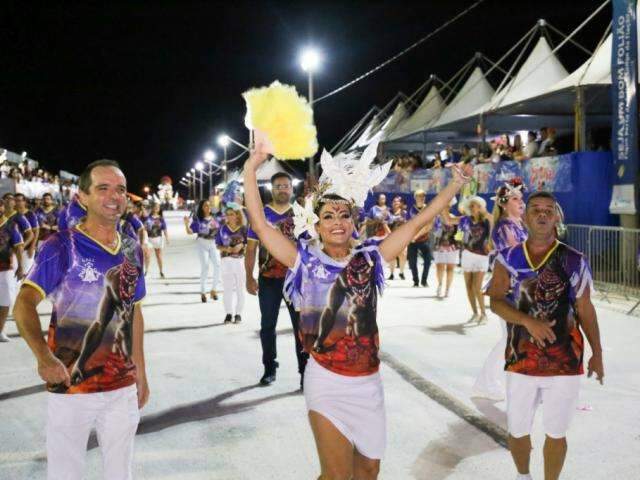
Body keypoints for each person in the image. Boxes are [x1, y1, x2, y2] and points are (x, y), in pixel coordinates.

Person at [245, 136, 471, 479]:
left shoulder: (371, 258)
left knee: (367, 471)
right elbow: (261, 226)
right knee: (336, 475)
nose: (337, 221)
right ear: (316, 224)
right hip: (326, 380)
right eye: (328, 215)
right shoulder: (302, 260)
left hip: (368, 383)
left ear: (353, 220)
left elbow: (415, 223)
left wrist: (456, 183)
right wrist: (250, 169)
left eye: (344, 215)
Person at [13, 159, 149, 480]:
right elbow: (24, 305)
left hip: (122, 384)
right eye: (103, 188)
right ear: (82, 197)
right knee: (65, 473)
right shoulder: (60, 246)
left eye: (120, 189)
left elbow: (136, 312)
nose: (114, 196)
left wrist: (141, 370)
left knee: (120, 472)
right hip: (71, 385)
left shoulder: (131, 249)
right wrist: (43, 357)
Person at [486, 191, 603, 480]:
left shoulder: (574, 260)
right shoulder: (508, 257)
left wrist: (597, 354)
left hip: (565, 360)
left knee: (556, 431)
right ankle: (523, 475)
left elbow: (585, 309)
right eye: (535, 209)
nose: (542, 214)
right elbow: (496, 301)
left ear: (556, 218)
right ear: (525, 217)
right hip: (521, 360)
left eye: (548, 210)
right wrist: (528, 321)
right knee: (518, 430)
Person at [245, 171, 308, 386]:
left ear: (292, 188)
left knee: (300, 326)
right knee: (268, 325)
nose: (283, 189)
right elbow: (251, 248)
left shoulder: (301, 213)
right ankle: (269, 368)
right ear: (272, 189)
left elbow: (312, 246)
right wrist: (249, 276)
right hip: (269, 278)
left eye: (286, 186)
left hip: (296, 279)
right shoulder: (261, 215)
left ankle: (305, 372)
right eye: (279, 186)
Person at [472, 179, 528, 401]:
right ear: (504, 203)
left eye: (521, 198)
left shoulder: (517, 224)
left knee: (513, 337)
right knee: (509, 338)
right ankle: (486, 384)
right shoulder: (506, 227)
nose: (521, 202)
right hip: (508, 289)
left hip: (520, 288)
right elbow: (516, 257)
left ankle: (495, 383)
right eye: (515, 199)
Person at [460, 196, 492, 323]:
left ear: (481, 207)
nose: (473, 208)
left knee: (476, 286)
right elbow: (450, 220)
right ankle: (475, 313)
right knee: (468, 286)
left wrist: (485, 211)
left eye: (476, 206)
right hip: (467, 254)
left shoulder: (486, 220)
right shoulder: (465, 220)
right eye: (471, 206)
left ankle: (484, 314)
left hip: (482, 256)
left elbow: (493, 218)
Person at [183, 199, 221, 302]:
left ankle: (214, 290)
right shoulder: (198, 220)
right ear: (202, 208)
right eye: (205, 206)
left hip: (213, 243)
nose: (208, 208)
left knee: (217, 265)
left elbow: (220, 232)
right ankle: (203, 292)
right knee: (205, 266)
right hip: (202, 243)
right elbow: (190, 232)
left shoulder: (215, 219)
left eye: (209, 205)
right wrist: (186, 224)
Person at [216, 205, 247, 323]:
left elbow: (249, 244)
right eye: (227, 214)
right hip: (226, 261)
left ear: (237, 215)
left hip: (239, 261)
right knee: (227, 289)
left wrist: (242, 245)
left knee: (240, 288)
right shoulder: (222, 228)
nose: (229, 216)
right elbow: (218, 245)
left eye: (232, 214)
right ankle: (228, 313)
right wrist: (226, 249)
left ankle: (238, 313)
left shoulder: (243, 229)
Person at [0, 201, 24, 342]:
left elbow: (19, 246)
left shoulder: (11, 225)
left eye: (0, 205)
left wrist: (20, 266)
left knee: (5, 302)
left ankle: (0, 331)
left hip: (6, 269)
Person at [432, 205, 460, 298]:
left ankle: (447, 288)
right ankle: (440, 284)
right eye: (443, 207)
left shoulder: (454, 218)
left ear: (449, 208)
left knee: (450, 269)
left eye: (447, 207)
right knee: (440, 267)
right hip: (439, 246)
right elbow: (435, 232)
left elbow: (459, 232)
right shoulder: (437, 219)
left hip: (452, 246)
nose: (445, 208)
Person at [407, 190, 433, 287]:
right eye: (419, 196)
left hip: (424, 239)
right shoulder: (411, 210)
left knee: (428, 260)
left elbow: (429, 225)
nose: (421, 198)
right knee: (412, 261)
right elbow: (407, 224)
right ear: (415, 198)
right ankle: (416, 281)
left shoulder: (428, 209)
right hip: (412, 240)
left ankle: (424, 280)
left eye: (423, 196)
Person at [11, 193, 38, 272]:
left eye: (19, 201)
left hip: (27, 248)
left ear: (24, 202)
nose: (17, 203)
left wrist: (32, 246)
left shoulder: (30, 214)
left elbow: (35, 232)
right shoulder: (13, 214)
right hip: (15, 249)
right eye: (15, 201)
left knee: (26, 272)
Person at [143, 203, 169, 278]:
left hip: (158, 238)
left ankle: (161, 272)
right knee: (147, 256)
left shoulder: (161, 218)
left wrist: (167, 238)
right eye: (155, 207)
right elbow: (144, 226)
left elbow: (164, 228)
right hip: (149, 238)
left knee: (159, 256)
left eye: (158, 207)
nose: (156, 208)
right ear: (152, 208)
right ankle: (146, 271)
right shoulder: (148, 217)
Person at [387, 196, 408, 280]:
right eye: (394, 201)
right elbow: (385, 223)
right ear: (392, 203)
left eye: (398, 201)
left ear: (400, 203)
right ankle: (391, 274)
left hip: (402, 237)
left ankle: (401, 272)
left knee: (403, 255)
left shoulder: (404, 213)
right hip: (391, 237)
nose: (396, 203)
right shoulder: (388, 212)